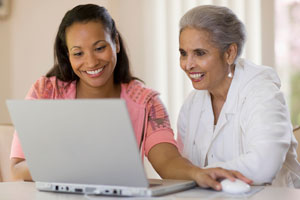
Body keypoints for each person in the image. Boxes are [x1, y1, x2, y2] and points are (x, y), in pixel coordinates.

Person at [10, 4, 251, 190]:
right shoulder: (45, 92)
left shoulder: (146, 102)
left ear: (115, 43)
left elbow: (167, 161)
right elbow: (18, 169)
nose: (91, 62)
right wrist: (73, 166)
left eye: (99, 47)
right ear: (67, 55)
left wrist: (198, 173)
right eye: (78, 53)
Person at [177, 5, 300, 188]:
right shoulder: (192, 104)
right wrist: (195, 174)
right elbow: (186, 172)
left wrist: (200, 174)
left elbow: (264, 165)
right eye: (183, 53)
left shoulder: (262, 92)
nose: (188, 65)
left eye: (200, 53)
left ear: (229, 53)